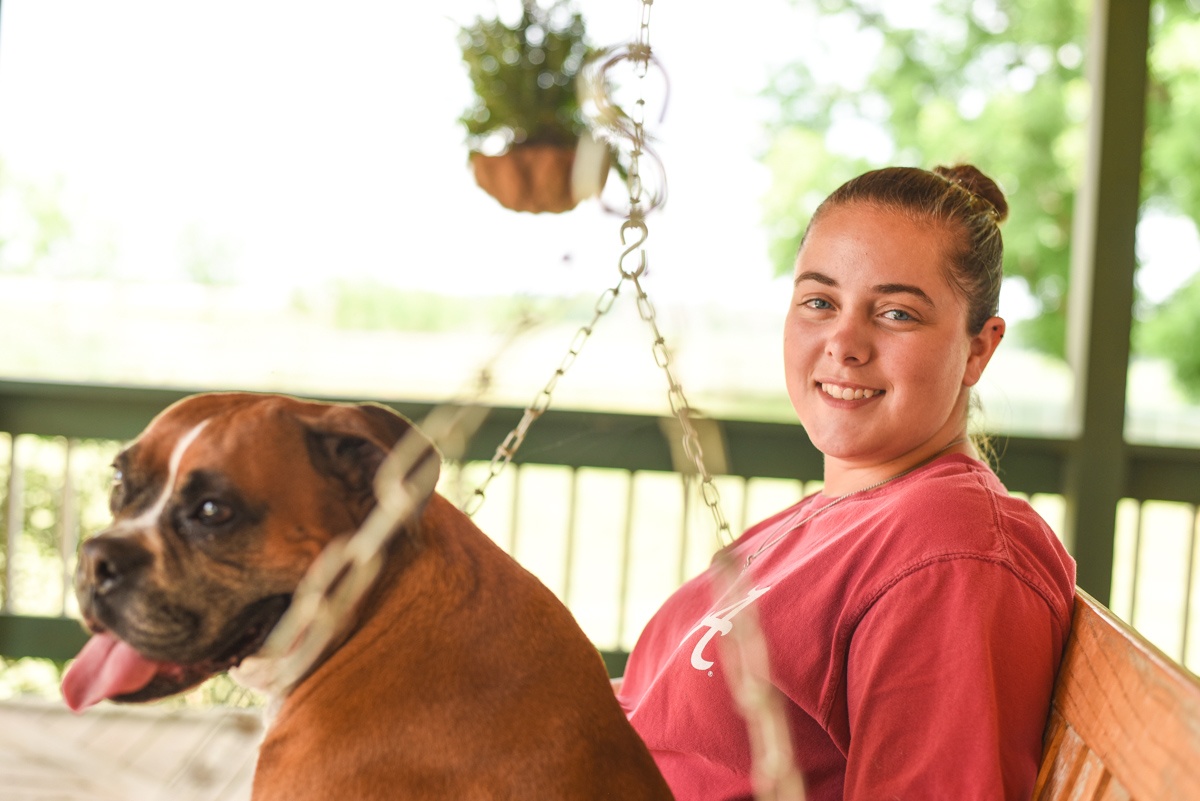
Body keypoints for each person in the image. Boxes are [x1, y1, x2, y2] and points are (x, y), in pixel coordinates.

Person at [614, 164, 1077, 800]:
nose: (844, 343)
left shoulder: (951, 552)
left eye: (896, 313)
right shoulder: (838, 515)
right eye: (819, 302)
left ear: (978, 350)